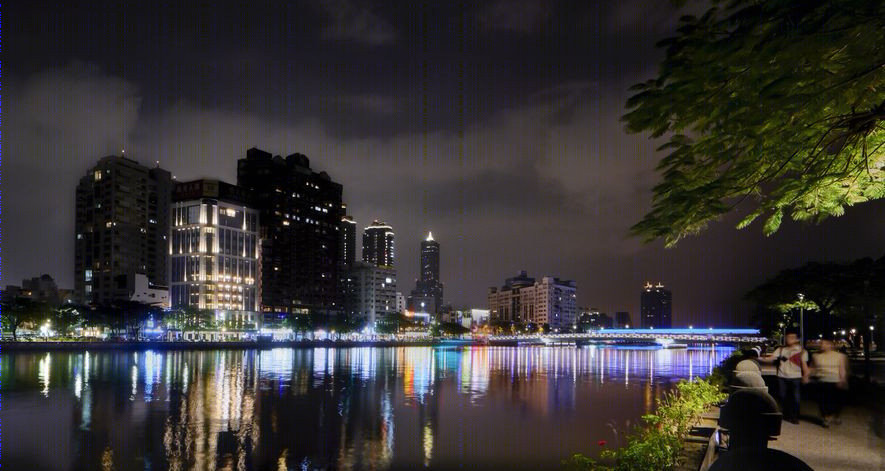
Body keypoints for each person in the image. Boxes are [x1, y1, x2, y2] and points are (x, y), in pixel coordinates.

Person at [760, 332, 809, 424]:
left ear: (797, 339)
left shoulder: (802, 351)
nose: (788, 339)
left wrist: (806, 376)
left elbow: (804, 364)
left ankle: (795, 416)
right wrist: (759, 358)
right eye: (787, 337)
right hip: (782, 376)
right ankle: (787, 413)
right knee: (782, 396)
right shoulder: (781, 349)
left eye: (792, 337)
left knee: (796, 398)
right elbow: (771, 358)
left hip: (796, 377)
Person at [812, 339, 848, 427]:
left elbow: (842, 368)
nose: (822, 345)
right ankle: (826, 417)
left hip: (835, 380)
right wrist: (806, 375)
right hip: (822, 380)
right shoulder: (816, 355)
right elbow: (812, 367)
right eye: (821, 344)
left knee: (835, 401)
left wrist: (842, 379)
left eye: (825, 344)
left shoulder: (840, 356)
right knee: (822, 401)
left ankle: (834, 415)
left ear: (830, 345)